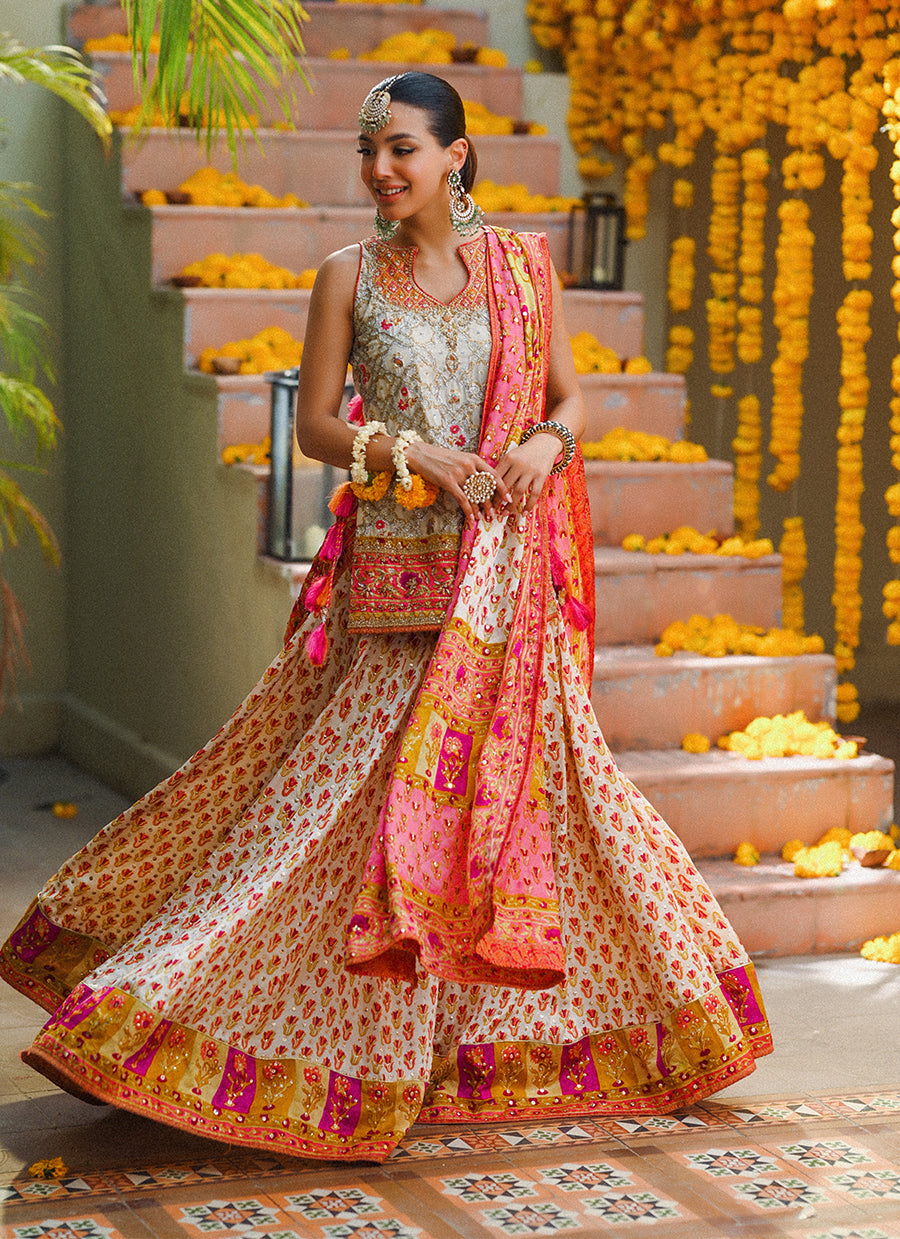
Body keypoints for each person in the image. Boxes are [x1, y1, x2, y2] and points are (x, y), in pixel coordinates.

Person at [0, 72, 771, 1162]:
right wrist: (406, 450)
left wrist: (547, 444)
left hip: (508, 590)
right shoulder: (347, 277)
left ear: (456, 156)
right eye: (370, 151)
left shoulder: (522, 268)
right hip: (399, 586)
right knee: (329, 820)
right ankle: (174, 1023)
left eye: (402, 149)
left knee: (555, 810)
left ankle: (586, 1036)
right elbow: (316, 426)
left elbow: (567, 398)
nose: (380, 170)